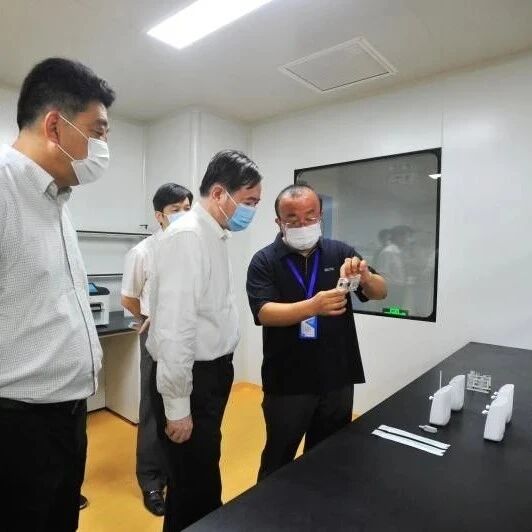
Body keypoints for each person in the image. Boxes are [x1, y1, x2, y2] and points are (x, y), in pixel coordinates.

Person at [0, 58, 115, 531]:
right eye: (98, 131)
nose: (104, 147)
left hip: (66, 414)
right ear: (54, 125)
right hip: (17, 423)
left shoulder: (56, 200)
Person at [147, 149, 262, 531]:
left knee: (201, 475)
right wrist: (177, 406)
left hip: (211, 374)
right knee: (192, 486)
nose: (252, 211)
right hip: (192, 379)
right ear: (218, 193)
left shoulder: (213, 234)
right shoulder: (188, 237)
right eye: (248, 201)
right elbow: (175, 329)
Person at [246, 183, 387, 481]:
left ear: (320, 216)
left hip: (337, 377)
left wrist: (365, 276)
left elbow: (380, 292)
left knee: (328, 459)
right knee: (278, 461)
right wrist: (312, 306)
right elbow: (263, 312)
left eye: (310, 217)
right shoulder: (264, 260)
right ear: (279, 222)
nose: (303, 224)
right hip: (287, 382)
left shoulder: (340, 252)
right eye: (293, 219)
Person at [121, 183, 193, 516]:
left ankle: (177, 468)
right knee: (153, 407)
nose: (184, 215)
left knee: (183, 402)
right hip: (155, 337)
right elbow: (128, 297)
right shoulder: (142, 252)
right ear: (159, 216)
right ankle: (151, 480)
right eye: (176, 209)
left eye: (188, 208)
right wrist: (147, 318)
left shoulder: (193, 247)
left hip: (188, 337)